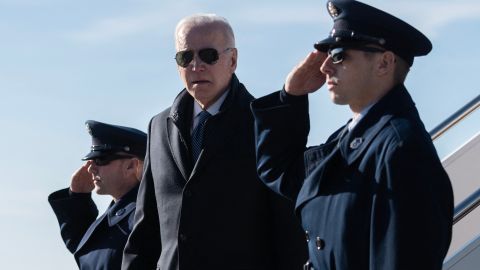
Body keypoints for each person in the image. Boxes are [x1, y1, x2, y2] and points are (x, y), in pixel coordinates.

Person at [250, 1, 454, 269]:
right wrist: (290, 97)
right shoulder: (353, 139)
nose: (325, 67)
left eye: (338, 55)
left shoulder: (401, 148)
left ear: (384, 63)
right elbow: (281, 173)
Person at [122, 14, 307, 270]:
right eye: (185, 57)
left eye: (208, 55)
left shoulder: (264, 125)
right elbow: (146, 230)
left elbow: (289, 237)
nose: (196, 66)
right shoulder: (158, 127)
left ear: (232, 60)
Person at [49, 120, 147, 269]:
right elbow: (88, 250)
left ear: (131, 166)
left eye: (101, 159)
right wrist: (77, 197)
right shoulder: (119, 214)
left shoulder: (146, 215)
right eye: (91, 160)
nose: (91, 169)